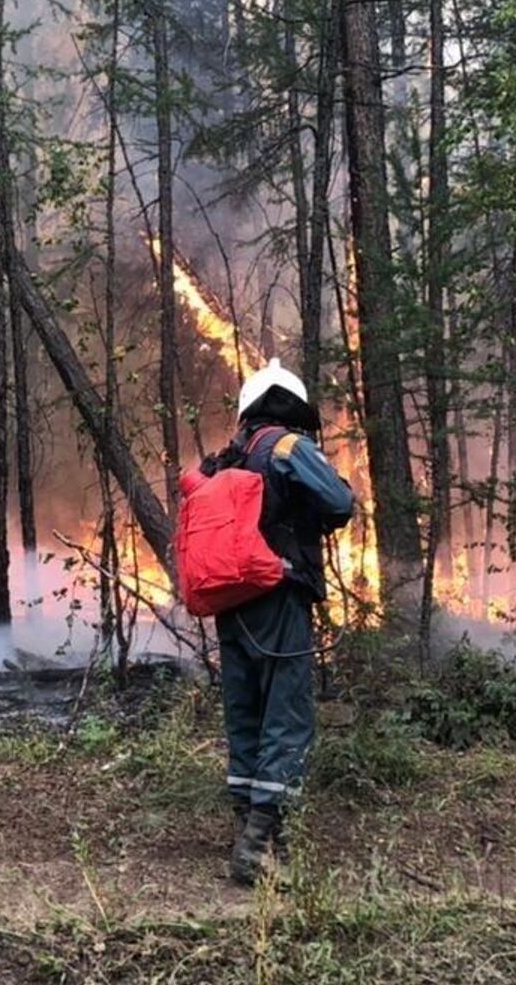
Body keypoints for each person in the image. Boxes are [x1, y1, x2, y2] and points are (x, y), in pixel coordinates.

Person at [200, 359, 354, 885]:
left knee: (246, 713)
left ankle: (252, 828)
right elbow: (339, 501)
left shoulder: (226, 458)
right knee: (286, 714)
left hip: (230, 601)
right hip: (278, 596)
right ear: (291, 408)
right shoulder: (289, 448)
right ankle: (259, 845)